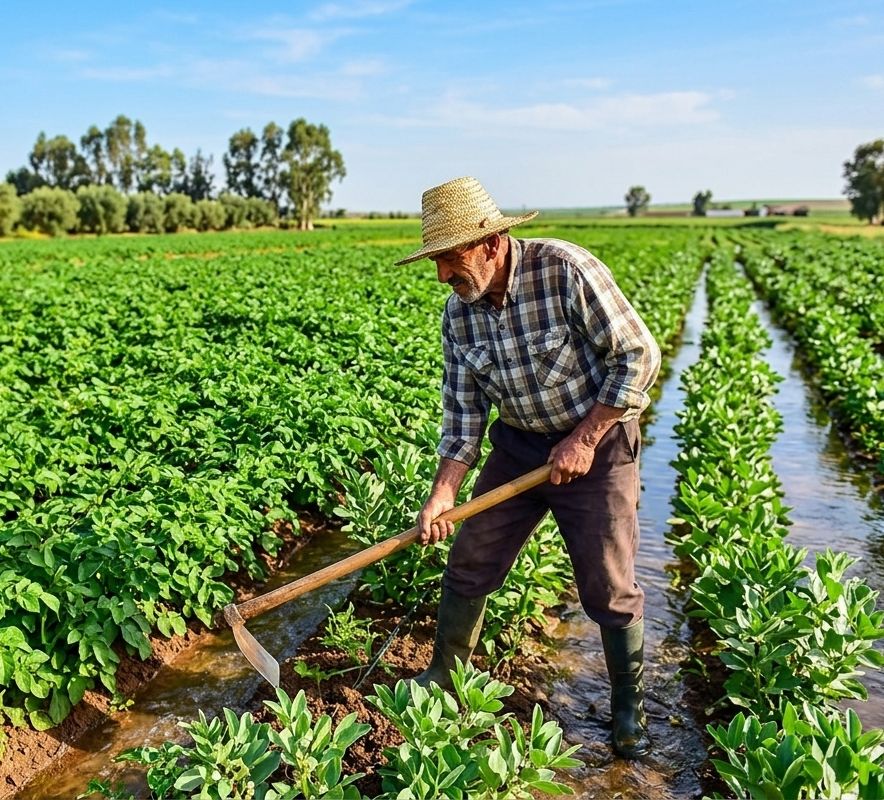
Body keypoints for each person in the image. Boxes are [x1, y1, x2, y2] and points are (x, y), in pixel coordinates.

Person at [395, 176, 661, 759]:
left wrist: (583, 439)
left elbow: (638, 355)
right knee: (471, 558)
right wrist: (443, 492)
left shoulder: (564, 270)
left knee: (608, 583)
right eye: (436, 261)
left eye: (450, 258)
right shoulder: (459, 315)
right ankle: (445, 676)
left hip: (599, 443)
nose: (442, 275)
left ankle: (628, 707)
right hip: (518, 446)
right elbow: (464, 414)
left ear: (491, 243)